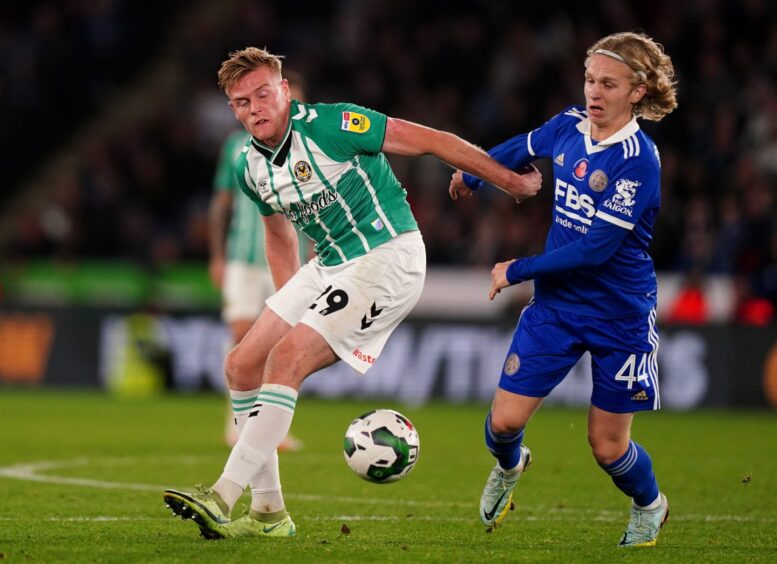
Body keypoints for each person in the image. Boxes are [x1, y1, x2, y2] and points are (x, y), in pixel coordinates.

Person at [163, 46, 542, 539]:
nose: (254, 107)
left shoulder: (333, 124)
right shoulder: (248, 166)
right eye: (241, 102)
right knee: (241, 364)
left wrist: (506, 179)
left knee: (285, 361)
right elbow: (278, 234)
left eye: (262, 94)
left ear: (284, 91)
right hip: (329, 264)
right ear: (233, 110)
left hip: (389, 257)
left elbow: (428, 139)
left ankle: (222, 496)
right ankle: (269, 514)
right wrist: (294, 304)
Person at [449, 31, 678, 547]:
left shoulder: (639, 161)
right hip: (558, 306)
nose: (594, 92)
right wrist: (478, 171)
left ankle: (650, 504)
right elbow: (521, 147)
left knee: (607, 447)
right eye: (590, 79)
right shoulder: (570, 125)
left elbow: (595, 249)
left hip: (620, 313)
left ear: (637, 92)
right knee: (503, 423)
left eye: (609, 84)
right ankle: (510, 469)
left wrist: (518, 269)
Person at [208, 71, 308, 452]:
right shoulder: (236, 146)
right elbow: (221, 203)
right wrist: (217, 256)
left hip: (286, 260)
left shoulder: (307, 148)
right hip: (242, 258)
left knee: (281, 345)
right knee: (241, 337)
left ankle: (273, 429)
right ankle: (237, 422)